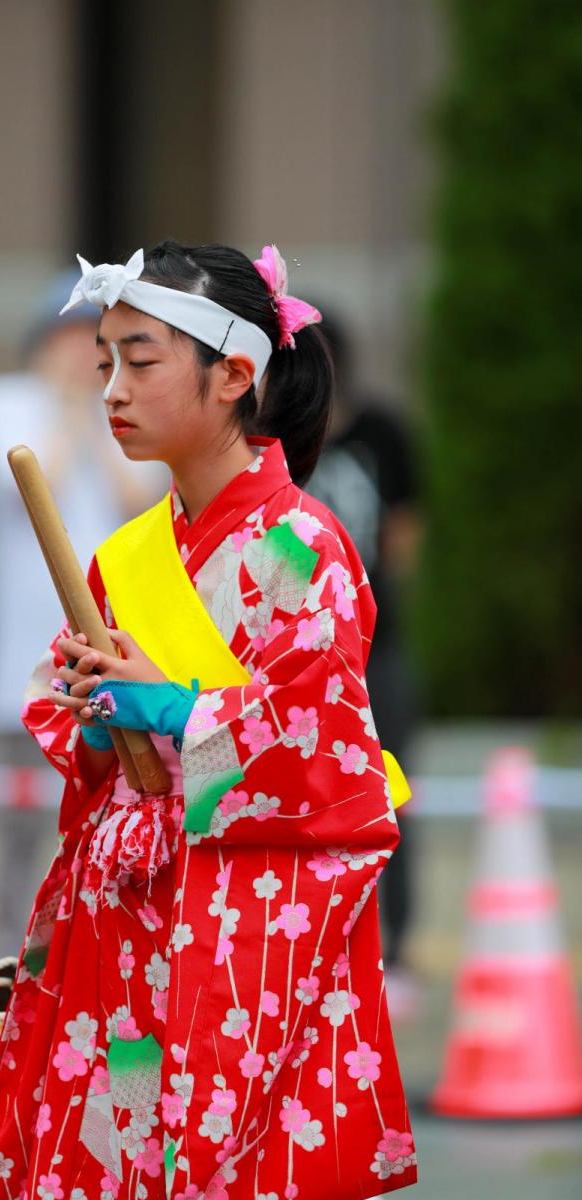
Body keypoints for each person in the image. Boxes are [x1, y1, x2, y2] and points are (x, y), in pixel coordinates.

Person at [0, 242, 416, 1199]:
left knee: (221, 1153)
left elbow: (324, 741)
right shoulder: (126, 555)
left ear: (234, 376)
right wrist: (93, 722)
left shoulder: (302, 544)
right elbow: (71, 716)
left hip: (241, 914)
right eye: (104, 364)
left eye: (140, 360)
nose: (112, 391)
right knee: (112, 1141)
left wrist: (183, 716)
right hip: (122, 903)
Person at [0, 275, 165, 957]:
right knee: (21, 824)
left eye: (98, 344)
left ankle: (89, 955)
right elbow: (31, 481)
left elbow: (141, 500)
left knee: (110, 813)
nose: (84, 355)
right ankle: (7, 958)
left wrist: (90, 408)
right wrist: (70, 408)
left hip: (113, 650)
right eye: (73, 339)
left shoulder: (124, 410)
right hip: (23, 654)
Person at [303, 311, 421, 1018]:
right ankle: (318, 948)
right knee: (307, 801)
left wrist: (367, 603)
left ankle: (394, 952)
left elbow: (403, 531)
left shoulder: (383, 432)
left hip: (379, 650)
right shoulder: (276, 440)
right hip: (299, 654)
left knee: (389, 796)